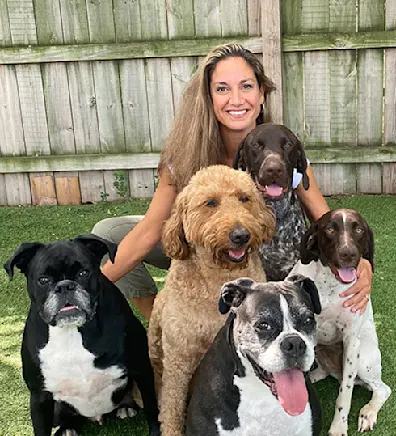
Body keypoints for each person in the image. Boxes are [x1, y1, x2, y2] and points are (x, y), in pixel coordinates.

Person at [92, 43, 372, 320]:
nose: (236, 99)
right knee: (111, 233)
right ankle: (159, 320)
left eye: (247, 86)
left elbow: (326, 220)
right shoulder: (184, 155)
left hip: (266, 259)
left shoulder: (284, 153)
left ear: (262, 94)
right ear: (209, 97)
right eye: (222, 88)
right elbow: (149, 231)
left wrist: (363, 262)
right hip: (207, 252)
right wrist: (91, 287)